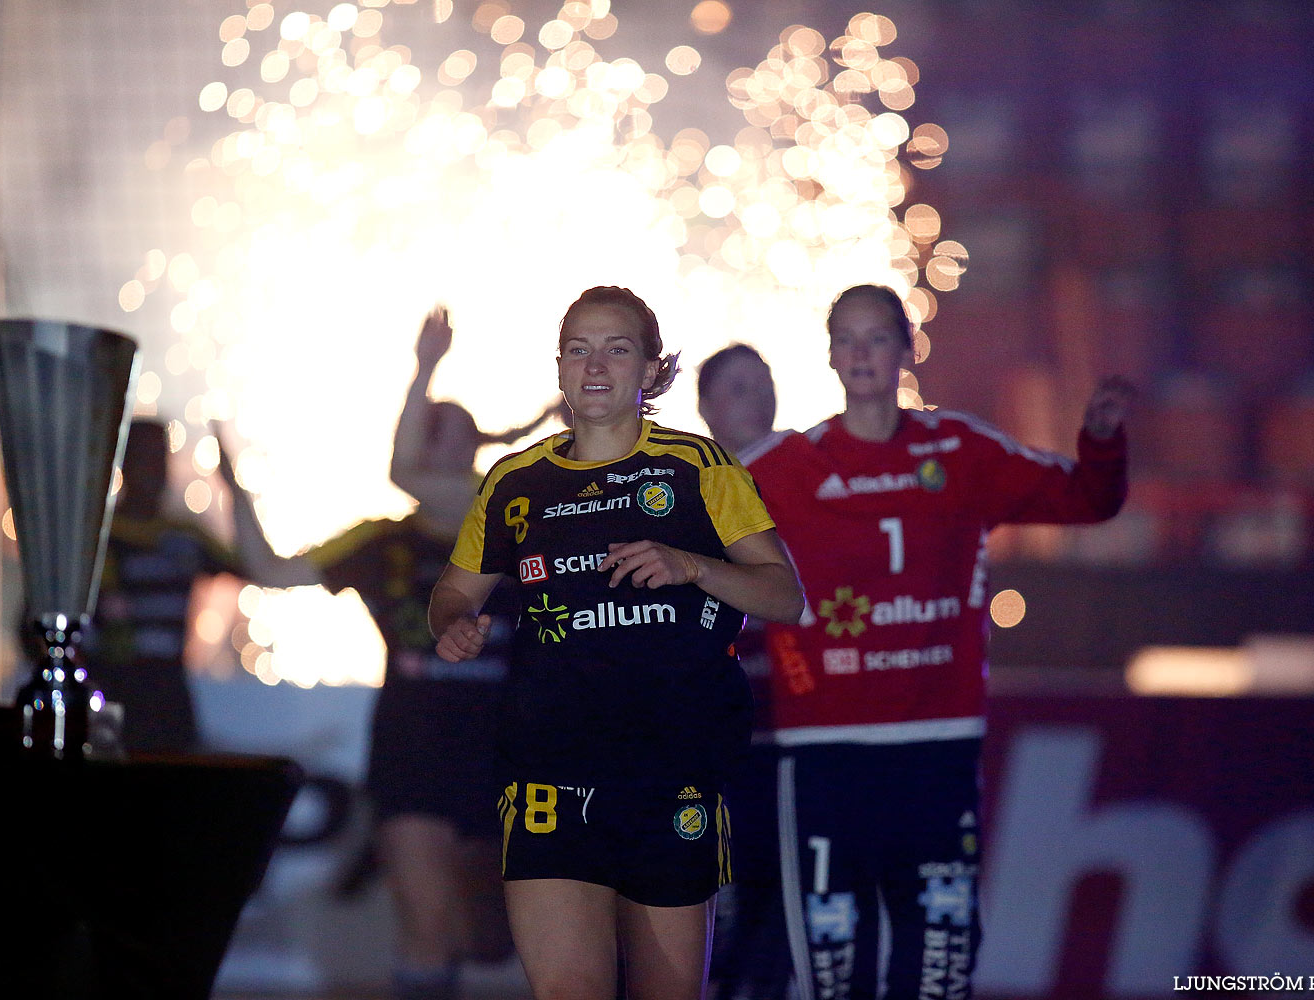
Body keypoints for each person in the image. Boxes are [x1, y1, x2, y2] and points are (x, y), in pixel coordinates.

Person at [743, 284, 1133, 1000]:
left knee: (941, 959)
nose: (861, 354)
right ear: (829, 354)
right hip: (826, 759)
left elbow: (1086, 499)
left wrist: (1102, 441)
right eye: (847, 339)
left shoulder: (959, 449)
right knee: (836, 966)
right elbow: (692, 551)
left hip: (937, 748)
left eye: (877, 337)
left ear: (906, 348)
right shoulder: (782, 468)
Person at [429, 285, 805, 1000]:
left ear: (652, 371)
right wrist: (453, 625)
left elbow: (785, 595)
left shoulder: (700, 468)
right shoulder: (516, 482)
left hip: (673, 777)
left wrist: (691, 564)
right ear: (561, 368)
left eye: (617, 348)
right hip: (548, 776)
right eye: (579, 348)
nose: (594, 364)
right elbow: (453, 593)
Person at [221, 306, 558, 1000]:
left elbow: (406, 466)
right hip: (412, 755)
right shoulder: (381, 542)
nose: (435, 453)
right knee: (424, 921)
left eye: (457, 438)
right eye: (432, 433)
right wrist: (233, 484)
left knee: (492, 938)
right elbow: (270, 570)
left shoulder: (515, 531)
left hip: (508, 758)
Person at [693, 344, 795, 1000]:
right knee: (713, 908)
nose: (756, 396)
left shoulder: (810, 479)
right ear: (703, 407)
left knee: (782, 901)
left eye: (764, 384)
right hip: (707, 737)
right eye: (737, 386)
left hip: (792, 736)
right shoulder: (675, 486)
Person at [88, 417, 246, 753]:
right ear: (124, 462)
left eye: (160, 457)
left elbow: (252, 568)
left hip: (170, 693)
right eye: (143, 457)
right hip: (108, 692)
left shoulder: (185, 537)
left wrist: (235, 487)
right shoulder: (97, 538)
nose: (154, 469)